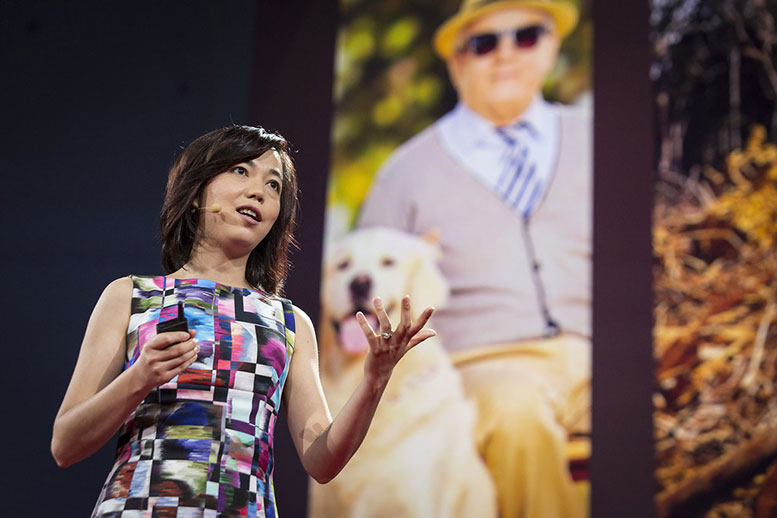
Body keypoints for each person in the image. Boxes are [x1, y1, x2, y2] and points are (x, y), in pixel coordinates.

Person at [51, 125, 436, 517]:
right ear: (197, 189)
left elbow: (322, 461)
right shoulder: (131, 297)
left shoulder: (289, 322)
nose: (259, 191)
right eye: (240, 171)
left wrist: (374, 379)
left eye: (274, 186)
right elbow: (65, 444)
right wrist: (140, 378)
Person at [358, 0, 591, 517]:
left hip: (604, 356)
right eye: (485, 44)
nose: (506, 55)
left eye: (527, 36)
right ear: (457, 63)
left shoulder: (598, 139)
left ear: (551, 47)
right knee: (516, 417)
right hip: (482, 365)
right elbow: (366, 298)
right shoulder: (405, 173)